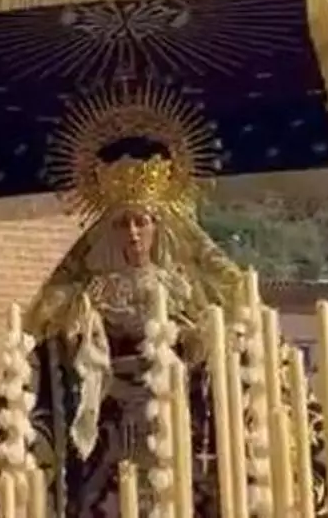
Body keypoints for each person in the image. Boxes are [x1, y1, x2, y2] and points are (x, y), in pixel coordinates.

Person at [19, 83, 254, 517]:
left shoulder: (183, 288)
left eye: (141, 222)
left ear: (157, 227)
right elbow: (53, 352)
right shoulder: (87, 293)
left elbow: (212, 351)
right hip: (109, 426)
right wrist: (81, 334)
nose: (132, 232)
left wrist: (196, 340)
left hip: (171, 420)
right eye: (122, 223)